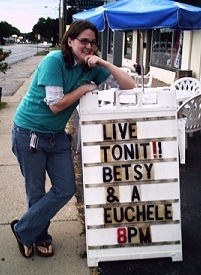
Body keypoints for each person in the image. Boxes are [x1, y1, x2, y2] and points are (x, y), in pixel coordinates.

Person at [11, 20, 135, 258]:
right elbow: (57, 105)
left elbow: (128, 86)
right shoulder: (54, 61)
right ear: (70, 41)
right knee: (36, 190)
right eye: (83, 41)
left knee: (66, 188)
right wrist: (84, 89)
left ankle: (22, 229)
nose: (88, 46)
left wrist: (103, 62)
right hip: (29, 133)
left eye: (93, 43)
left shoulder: (92, 67)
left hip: (56, 137)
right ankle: (41, 237)